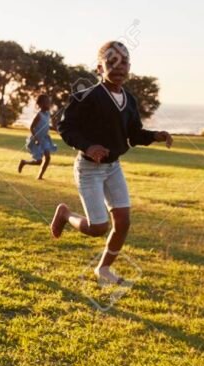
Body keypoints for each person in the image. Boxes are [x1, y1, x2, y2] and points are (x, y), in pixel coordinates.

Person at [50, 41, 173, 285]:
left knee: (123, 222)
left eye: (124, 62)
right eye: (111, 62)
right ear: (99, 68)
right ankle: (65, 214)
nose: (118, 67)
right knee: (98, 227)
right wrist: (88, 146)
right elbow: (65, 126)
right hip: (88, 169)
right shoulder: (86, 96)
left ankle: (103, 270)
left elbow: (134, 134)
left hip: (113, 167)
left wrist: (155, 135)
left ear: (129, 66)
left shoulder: (130, 99)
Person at [17, 94, 57, 180]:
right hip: (37, 140)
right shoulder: (39, 115)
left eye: (49, 102)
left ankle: (40, 176)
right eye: (47, 103)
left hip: (45, 139)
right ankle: (24, 162)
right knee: (39, 161)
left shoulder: (48, 114)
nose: (49, 104)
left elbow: (46, 126)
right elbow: (32, 127)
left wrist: (54, 128)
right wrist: (36, 139)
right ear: (41, 105)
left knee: (48, 158)